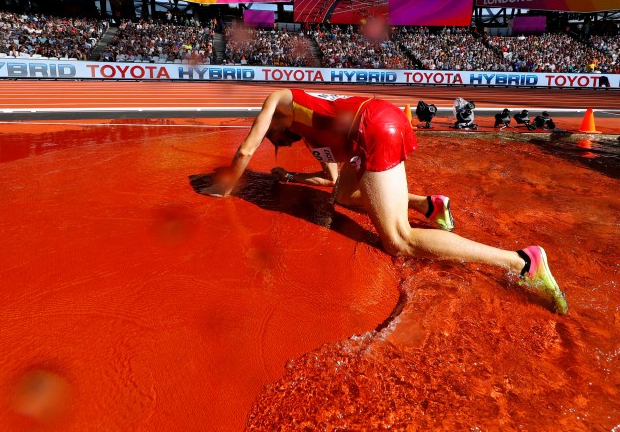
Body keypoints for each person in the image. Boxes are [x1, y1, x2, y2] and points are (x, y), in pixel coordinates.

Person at [203, 88, 568, 314]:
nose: (278, 140)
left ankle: (522, 261)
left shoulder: (279, 98)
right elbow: (332, 180)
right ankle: (429, 205)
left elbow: (246, 148)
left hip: (372, 125)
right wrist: (293, 177)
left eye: (276, 138)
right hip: (378, 118)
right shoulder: (310, 130)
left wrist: (228, 185)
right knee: (342, 195)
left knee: (398, 241)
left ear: (276, 128)